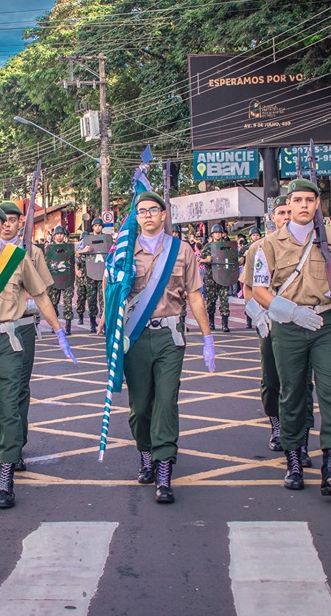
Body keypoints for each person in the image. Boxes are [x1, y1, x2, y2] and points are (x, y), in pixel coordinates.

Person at [99, 191, 215, 505]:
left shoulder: (182, 251)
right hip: (134, 337)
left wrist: (207, 337)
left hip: (169, 336)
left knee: (166, 400)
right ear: (136, 217)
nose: (148, 215)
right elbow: (111, 293)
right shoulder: (123, 251)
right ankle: (146, 453)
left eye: (153, 210)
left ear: (164, 215)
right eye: (142, 211)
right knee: (140, 407)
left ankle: (164, 468)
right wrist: (107, 323)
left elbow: (194, 295)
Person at [0, 203, 74, 510]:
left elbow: (40, 294)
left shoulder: (18, 258)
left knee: (9, 407)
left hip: (9, 342)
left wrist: (58, 330)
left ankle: (7, 472)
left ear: (3, 227)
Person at [251, 178, 331, 496]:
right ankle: (294, 461)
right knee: (292, 394)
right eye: (297, 200)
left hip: (325, 323)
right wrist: (291, 312)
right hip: (289, 324)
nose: (303, 206)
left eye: (310, 200)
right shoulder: (267, 246)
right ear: (289, 205)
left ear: (317, 204)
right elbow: (258, 290)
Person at [243, 194, 314, 464]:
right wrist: (259, 317)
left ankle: (301, 439)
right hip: (272, 323)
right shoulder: (259, 248)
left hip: (302, 324)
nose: (286, 216)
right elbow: (248, 289)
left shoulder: (312, 245)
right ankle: (276, 425)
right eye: (281, 212)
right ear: (273, 217)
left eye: (289, 211)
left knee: (302, 386)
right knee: (272, 382)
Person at [0, 201, 56, 472]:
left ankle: (15, 445)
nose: (7, 224)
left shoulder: (32, 253)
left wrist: (32, 302)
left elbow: (44, 291)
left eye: (12, 219)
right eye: (3, 219)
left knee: (17, 389)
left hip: (21, 327)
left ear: (21, 223)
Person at [76, 219, 108, 332]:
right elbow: (76, 255)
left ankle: (103, 323)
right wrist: (84, 250)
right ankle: (92, 322)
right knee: (91, 299)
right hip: (90, 273)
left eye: (100, 226)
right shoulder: (87, 240)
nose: (98, 228)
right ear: (93, 227)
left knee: (103, 299)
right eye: (96, 226)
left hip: (102, 273)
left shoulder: (106, 239)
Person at [45, 225, 76, 335]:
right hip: (54, 280)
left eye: (61, 234)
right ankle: (55, 326)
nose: (59, 236)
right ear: (54, 236)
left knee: (68, 303)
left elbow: (74, 260)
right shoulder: (49, 249)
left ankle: (68, 327)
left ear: (64, 235)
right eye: (57, 234)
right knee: (53, 304)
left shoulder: (70, 248)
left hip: (67, 279)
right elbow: (46, 264)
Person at [200, 224, 232, 332]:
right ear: (212, 234)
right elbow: (200, 260)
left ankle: (225, 324)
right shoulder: (208, 247)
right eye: (216, 233)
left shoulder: (226, 245)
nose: (217, 234)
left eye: (219, 232)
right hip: (211, 277)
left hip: (223, 276)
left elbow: (232, 259)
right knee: (211, 301)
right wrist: (207, 260)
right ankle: (211, 322)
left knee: (224, 300)